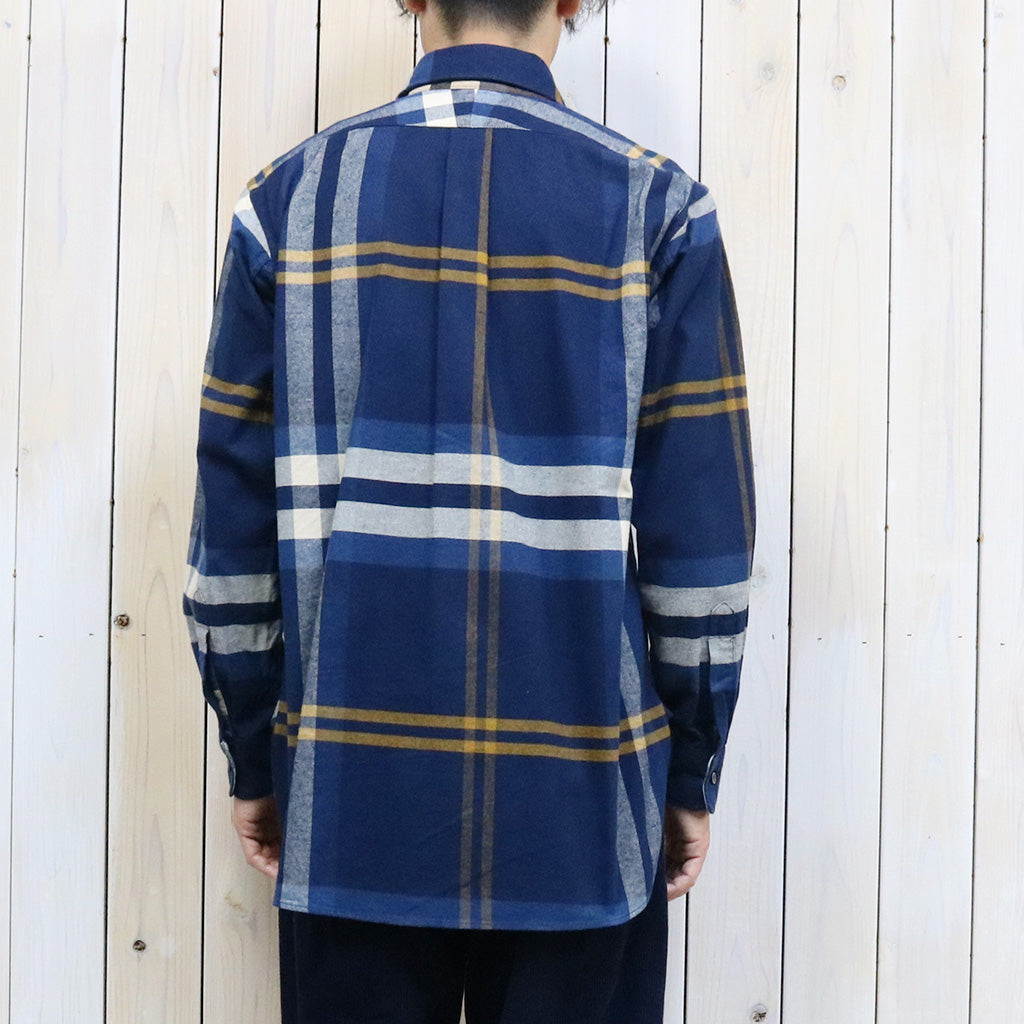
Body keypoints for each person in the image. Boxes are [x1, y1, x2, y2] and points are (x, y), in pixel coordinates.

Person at [183, 0, 754, 1019]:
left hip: (349, 793)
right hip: (582, 805)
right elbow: (701, 557)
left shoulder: (287, 205)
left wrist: (257, 752)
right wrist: (686, 768)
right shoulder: (656, 211)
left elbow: (229, 545)